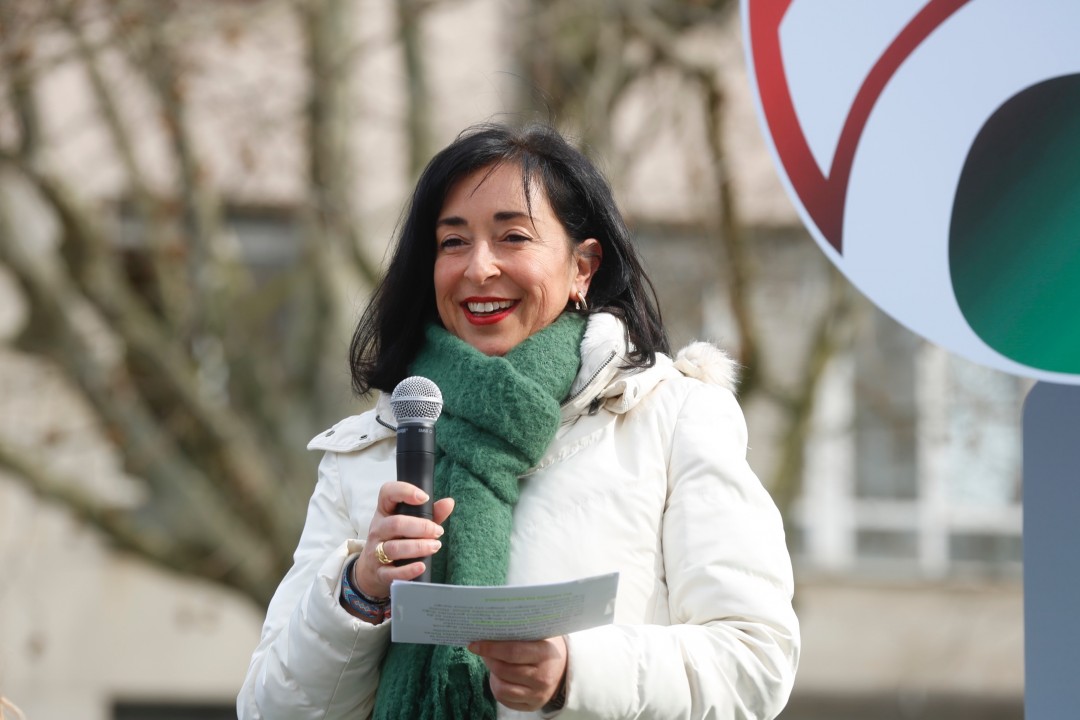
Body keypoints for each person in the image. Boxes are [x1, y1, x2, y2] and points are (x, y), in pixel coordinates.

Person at [238, 122, 799, 719]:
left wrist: (574, 671)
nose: (479, 268)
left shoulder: (672, 417)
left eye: (513, 237)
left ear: (583, 267)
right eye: (453, 242)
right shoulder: (367, 451)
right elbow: (269, 708)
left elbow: (756, 660)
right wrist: (359, 592)